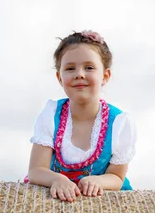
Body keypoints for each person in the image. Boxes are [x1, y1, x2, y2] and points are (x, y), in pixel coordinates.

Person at [24, 30, 137, 202]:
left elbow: (117, 177)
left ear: (105, 76)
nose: (79, 74)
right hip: (54, 199)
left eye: (89, 67)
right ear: (59, 78)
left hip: (104, 205)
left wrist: (98, 180)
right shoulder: (51, 114)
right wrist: (57, 179)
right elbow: (36, 170)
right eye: (70, 68)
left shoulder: (120, 123)